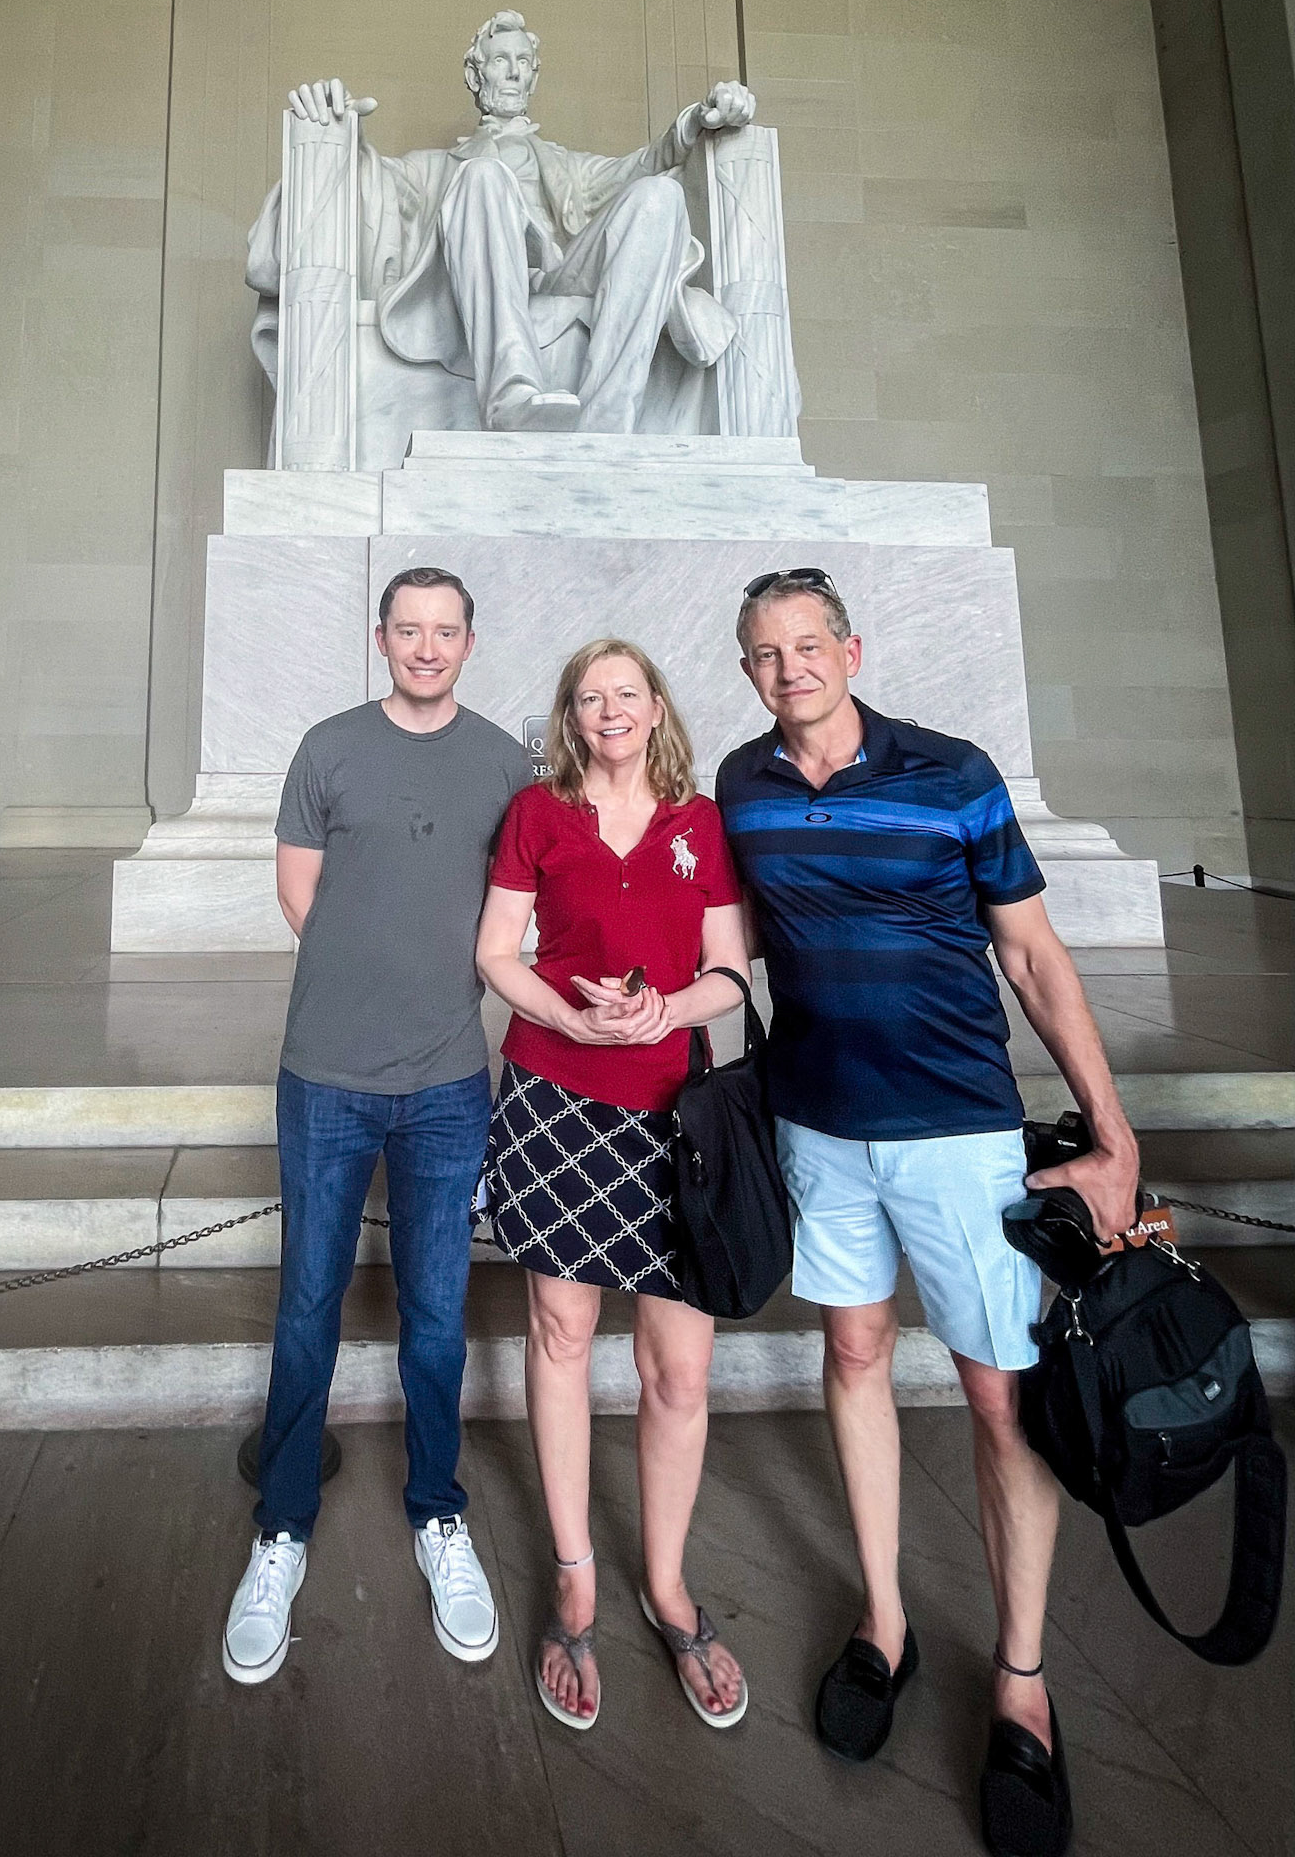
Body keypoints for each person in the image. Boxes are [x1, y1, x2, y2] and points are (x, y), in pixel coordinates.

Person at [716, 570, 1140, 1857]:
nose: (790, 667)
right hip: (818, 1125)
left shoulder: (952, 770)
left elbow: (1033, 956)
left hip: (960, 1131)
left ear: (851, 647)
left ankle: (1021, 1675)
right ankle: (886, 1622)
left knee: (998, 1394)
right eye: (764, 653)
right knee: (852, 1353)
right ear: (746, 671)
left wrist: (1111, 1131)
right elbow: (721, 936)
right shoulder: (740, 783)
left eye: (808, 644)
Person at [222, 566, 531, 1686]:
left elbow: (527, 892)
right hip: (327, 1077)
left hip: (451, 1080)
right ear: (382, 636)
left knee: (438, 1315)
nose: (427, 645)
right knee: (308, 1301)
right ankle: (284, 1526)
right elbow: (300, 896)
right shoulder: (328, 746)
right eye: (410, 628)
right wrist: (375, 977)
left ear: (469, 639)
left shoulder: (506, 759)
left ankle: (438, 1513)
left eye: (446, 629)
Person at [475, 638, 751, 1733]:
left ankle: (668, 1581)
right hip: (555, 1096)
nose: (608, 710)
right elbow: (498, 950)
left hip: (676, 1112)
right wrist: (564, 1011)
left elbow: (730, 970)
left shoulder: (703, 821)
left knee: (678, 1368)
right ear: (571, 713)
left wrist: (670, 1010)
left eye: (625, 693)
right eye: (589, 697)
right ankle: (577, 1572)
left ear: (655, 706)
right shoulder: (538, 811)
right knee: (558, 1330)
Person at [248, 11, 757, 434]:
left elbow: (642, 165)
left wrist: (695, 121)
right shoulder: (438, 168)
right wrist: (336, 128)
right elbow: (369, 183)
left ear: (534, 75)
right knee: (484, 176)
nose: (513, 72)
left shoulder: (566, 167)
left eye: (523, 63)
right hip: (474, 283)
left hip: (560, 273)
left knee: (660, 196)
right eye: (499, 61)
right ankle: (511, 394)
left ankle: (608, 419)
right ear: (477, 76)